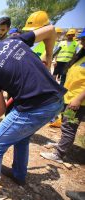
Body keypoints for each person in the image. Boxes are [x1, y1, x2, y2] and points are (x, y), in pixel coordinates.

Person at [0, 23, 66, 198]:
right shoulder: (11, 41)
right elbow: (50, 30)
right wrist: (47, 58)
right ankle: (19, 174)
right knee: (21, 138)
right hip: (54, 99)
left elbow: (0, 108)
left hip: (36, 106)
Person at [40, 28, 85, 163]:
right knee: (65, 123)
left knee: (69, 127)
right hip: (70, 95)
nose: (82, 42)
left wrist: (79, 98)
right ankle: (61, 145)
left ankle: (59, 155)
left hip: (78, 100)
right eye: (82, 39)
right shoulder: (81, 55)